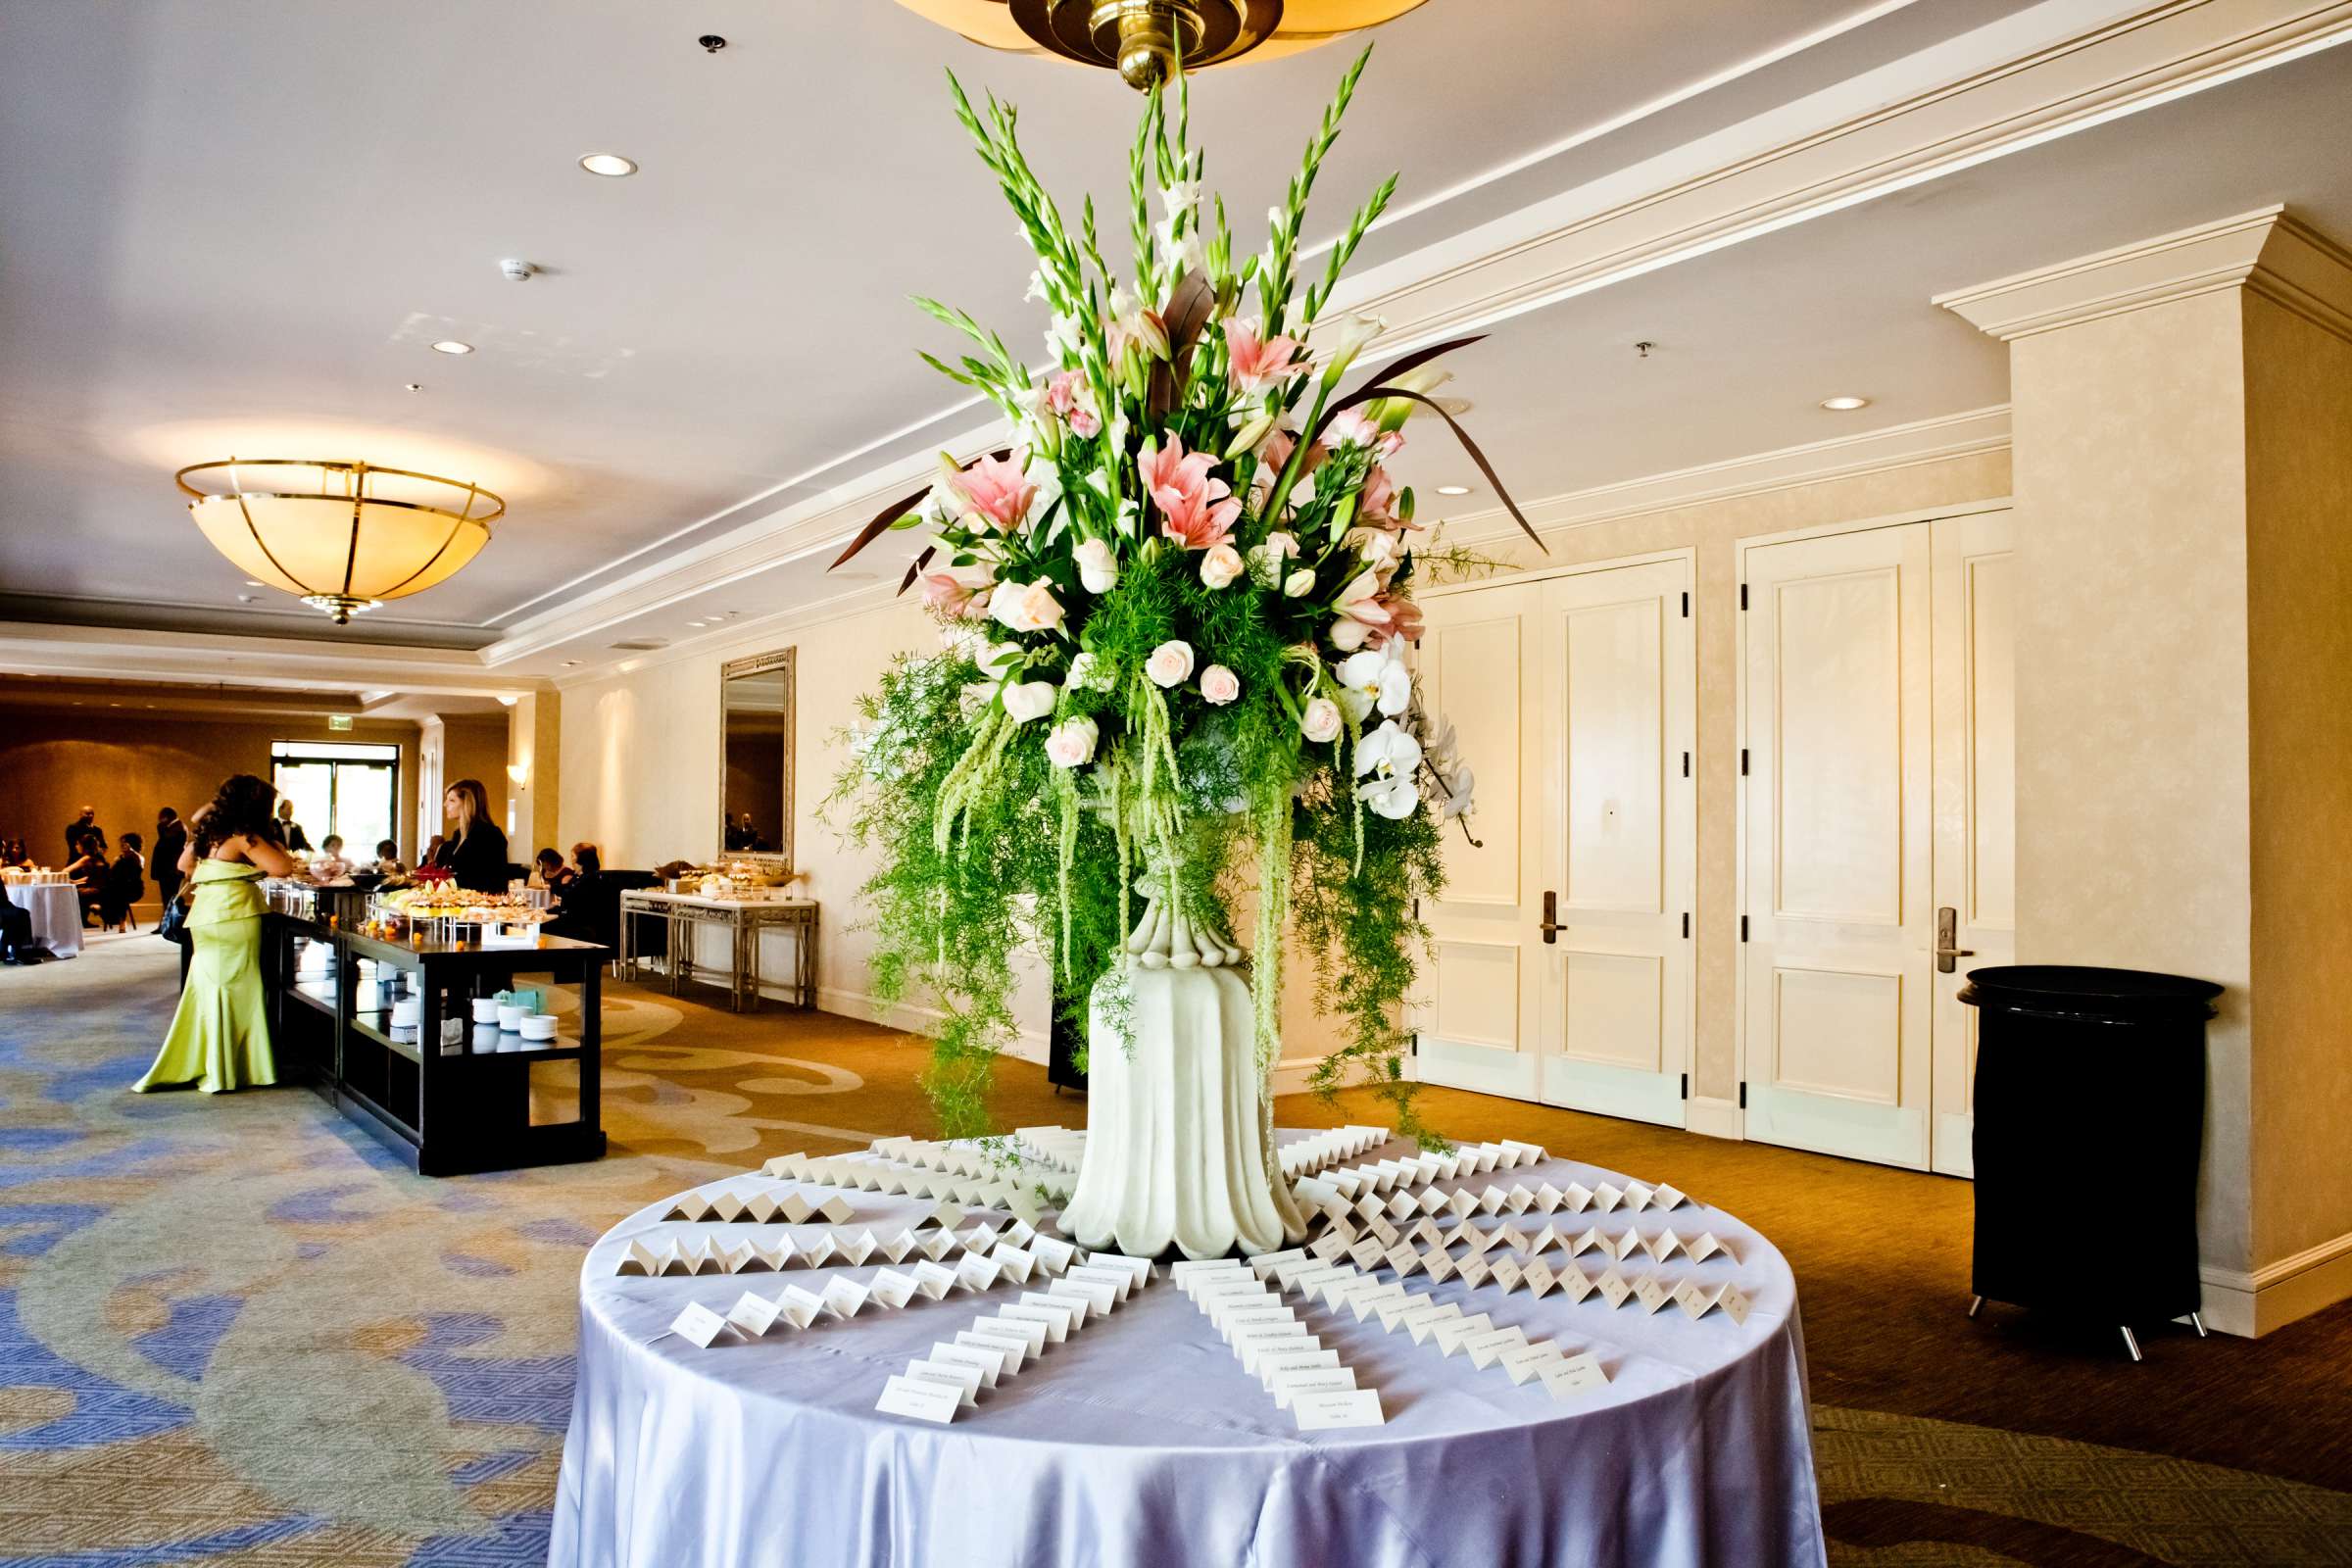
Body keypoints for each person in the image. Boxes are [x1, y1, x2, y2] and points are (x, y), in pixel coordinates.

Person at [136, 774, 295, 1093]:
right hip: (234, 914)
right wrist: (269, 844)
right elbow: (283, 867)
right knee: (237, 986)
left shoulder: (210, 833)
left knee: (210, 986)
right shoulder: (243, 836)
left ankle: (211, 1060)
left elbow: (184, 864)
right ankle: (232, 1068)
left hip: (206, 914)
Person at [424, 778, 509, 893]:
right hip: (460, 902)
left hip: (484, 905)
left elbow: (490, 879)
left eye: (452, 800)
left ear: (467, 804)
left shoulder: (489, 834)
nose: (445, 804)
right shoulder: (458, 834)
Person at [100, 831, 147, 930]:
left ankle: (121, 920)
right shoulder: (120, 858)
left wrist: (132, 851)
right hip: (118, 887)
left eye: (125, 843)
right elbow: (112, 874)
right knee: (111, 889)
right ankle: (110, 915)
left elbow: (137, 868)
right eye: (121, 843)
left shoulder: (138, 857)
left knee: (119, 891)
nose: (122, 845)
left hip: (134, 889)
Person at [65, 829, 108, 926]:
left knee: (75, 892)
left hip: (99, 889)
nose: (76, 846)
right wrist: (75, 882)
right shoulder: (98, 856)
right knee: (77, 889)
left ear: (83, 846)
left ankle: (79, 921)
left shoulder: (86, 858)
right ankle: (83, 920)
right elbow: (93, 877)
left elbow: (66, 871)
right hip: (103, 887)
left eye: (77, 844)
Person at [152, 808, 187, 912]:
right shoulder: (172, 827)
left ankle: (171, 922)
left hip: (171, 869)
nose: (159, 821)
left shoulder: (178, 827)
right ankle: (168, 921)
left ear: (166, 817)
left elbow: (166, 841)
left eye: (161, 818)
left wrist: (161, 826)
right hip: (168, 869)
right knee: (168, 897)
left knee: (170, 896)